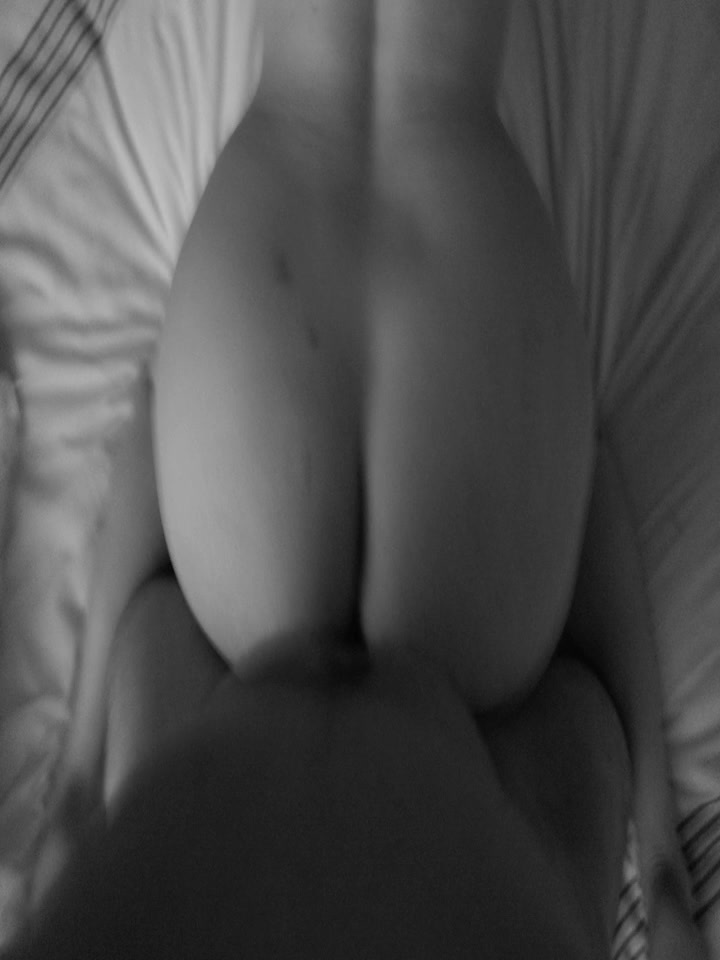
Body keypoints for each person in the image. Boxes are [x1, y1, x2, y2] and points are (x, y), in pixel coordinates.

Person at [17, 1, 707, 957]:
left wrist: (78, 779)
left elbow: (151, 601)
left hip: (343, 529)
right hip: (328, 501)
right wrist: (77, 781)